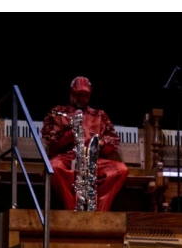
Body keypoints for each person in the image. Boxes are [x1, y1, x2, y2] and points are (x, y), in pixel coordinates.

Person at [41, 76, 128, 211]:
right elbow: (51, 142)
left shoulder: (99, 115)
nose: (81, 98)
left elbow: (113, 140)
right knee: (54, 167)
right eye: (78, 94)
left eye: (85, 95)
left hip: (93, 159)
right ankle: (71, 209)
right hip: (68, 158)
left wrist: (101, 143)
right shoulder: (58, 113)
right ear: (71, 93)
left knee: (121, 170)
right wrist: (70, 134)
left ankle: (100, 211)